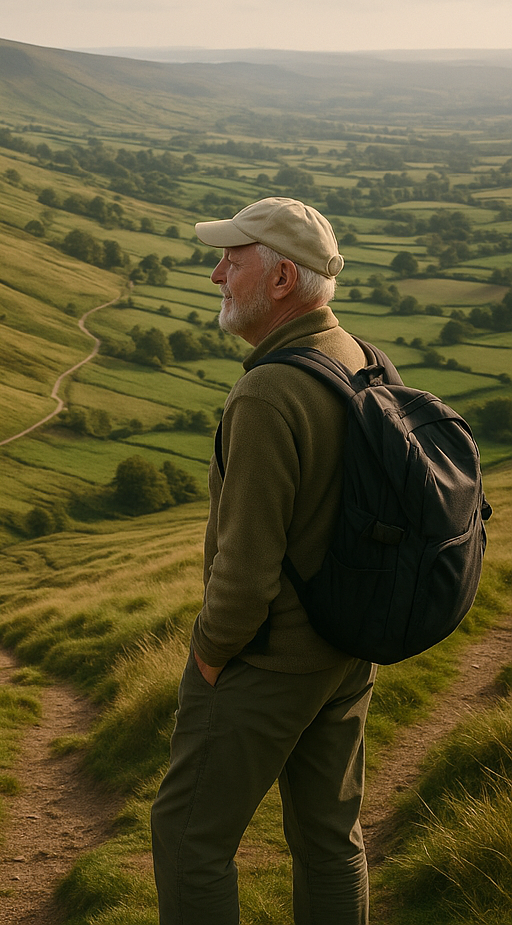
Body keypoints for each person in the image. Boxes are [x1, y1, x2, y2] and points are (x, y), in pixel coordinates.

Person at [150, 196, 377, 924]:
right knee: (330, 839)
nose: (217, 274)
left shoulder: (269, 391)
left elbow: (243, 574)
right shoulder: (357, 357)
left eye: (233, 260)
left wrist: (210, 657)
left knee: (189, 839)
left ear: (281, 281)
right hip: (347, 647)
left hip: (269, 660)